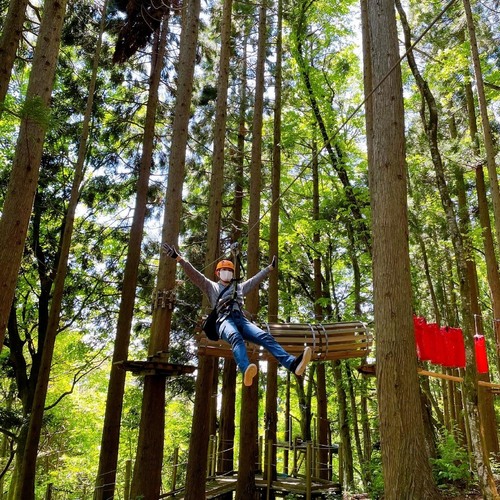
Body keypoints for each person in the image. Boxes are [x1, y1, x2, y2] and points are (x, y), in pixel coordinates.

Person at [162, 243, 312, 386]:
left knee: (265, 337)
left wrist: (269, 268)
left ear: (233, 274)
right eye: (224, 270)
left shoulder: (239, 288)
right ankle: (246, 368)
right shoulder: (211, 286)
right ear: (218, 273)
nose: (227, 272)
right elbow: (195, 275)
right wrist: (179, 258)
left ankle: (293, 364)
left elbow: (254, 281)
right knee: (235, 337)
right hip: (223, 320)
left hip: (241, 319)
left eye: (229, 270)